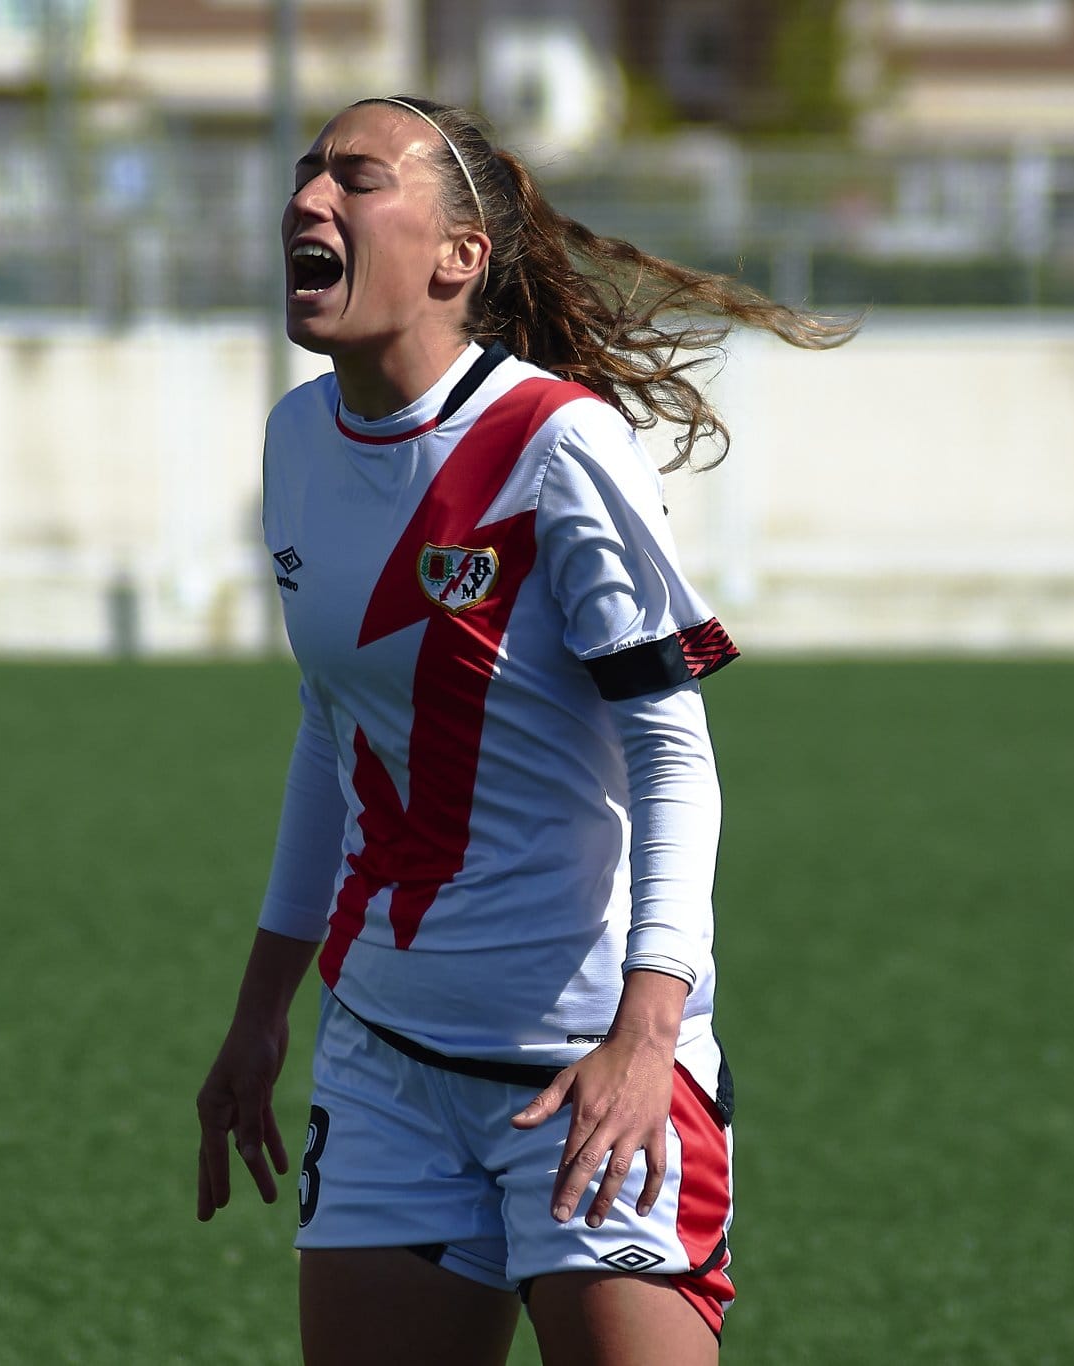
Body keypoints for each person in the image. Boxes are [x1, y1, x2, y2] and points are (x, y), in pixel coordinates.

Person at [195, 94, 855, 1366]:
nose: (307, 202)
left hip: (585, 1079)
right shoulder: (292, 441)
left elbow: (674, 754)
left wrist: (646, 1039)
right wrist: (260, 1009)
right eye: (301, 177)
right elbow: (333, 730)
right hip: (383, 1062)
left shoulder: (557, 444)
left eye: (356, 178)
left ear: (459, 255)